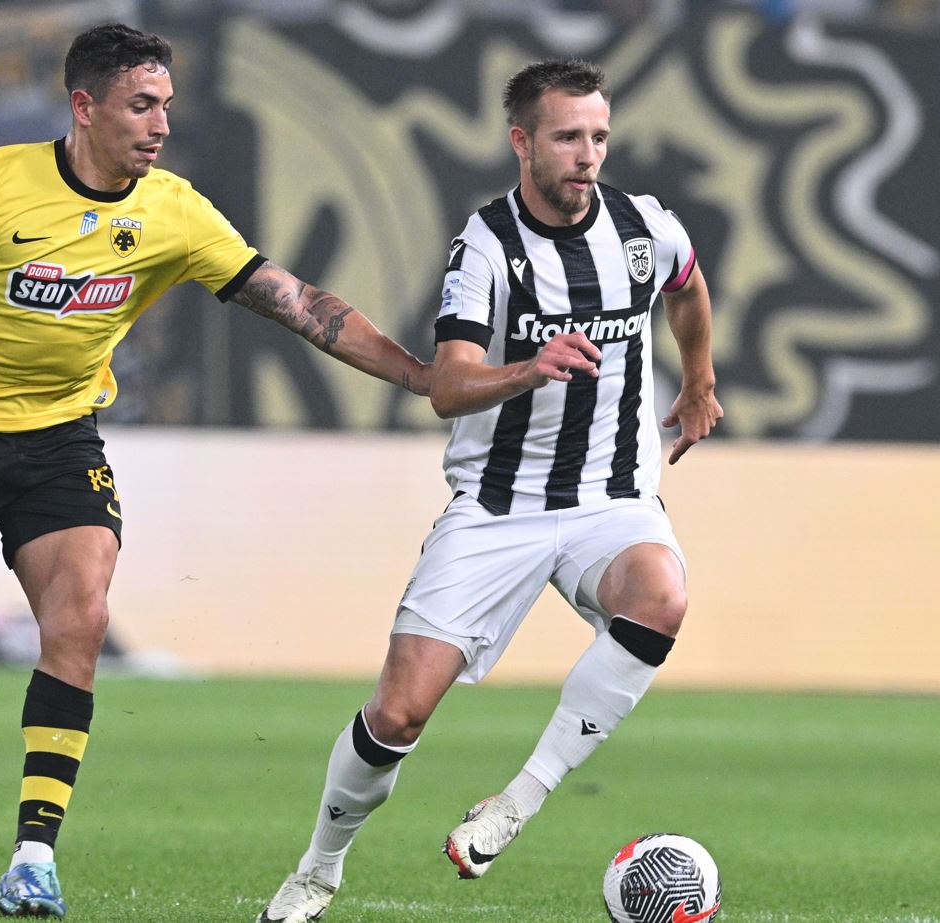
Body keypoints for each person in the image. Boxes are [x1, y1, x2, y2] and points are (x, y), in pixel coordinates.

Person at [0, 22, 428, 920]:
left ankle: (33, 858)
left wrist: (418, 375)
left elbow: (300, 302)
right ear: (84, 107)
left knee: (81, 615)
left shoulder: (174, 211)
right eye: (140, 105)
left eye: (166, 105)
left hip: (59, 443)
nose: (160, 124)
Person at [257, 58, 722, 922]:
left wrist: (698, 382)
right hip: (498, 507)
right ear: (521, 141)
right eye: (567, 137)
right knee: (398, 713)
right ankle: (318, 869)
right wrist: (529, 367)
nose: (587, 154)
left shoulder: (642, 227)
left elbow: (687, 288)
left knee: (660, 595)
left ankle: (518, 799)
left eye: (598, 136)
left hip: (610, 497)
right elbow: (446, 385)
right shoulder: (486, 246)